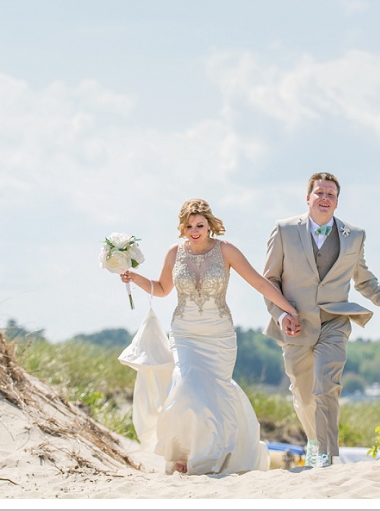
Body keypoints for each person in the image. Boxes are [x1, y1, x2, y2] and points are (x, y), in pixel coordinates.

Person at [120, 198, 299, 475]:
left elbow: (259, 282)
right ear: (183, 226)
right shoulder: (174, 253)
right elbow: (162, 287)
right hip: (184, 333)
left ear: (209, 224)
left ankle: (214, 456)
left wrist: (289, 309)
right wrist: (134, 277)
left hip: (219, 336)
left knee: (214, 393)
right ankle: (185, 453)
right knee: (187, 386)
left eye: (200, 225)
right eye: (189, 226)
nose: (194, 231)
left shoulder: (226, 250)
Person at [262, 172, 380, 468]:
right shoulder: (284, 230)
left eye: (331, 195)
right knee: (303, 394)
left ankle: (326, 455)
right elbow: (270, 280)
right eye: (320, 193)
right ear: (308, 197)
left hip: (335, 321)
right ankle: (314, 441)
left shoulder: (355, 235)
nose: (325, 199)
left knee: (326, 386)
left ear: (337, 201)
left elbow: (363, 278)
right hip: (296, 324)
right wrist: (282, 313)